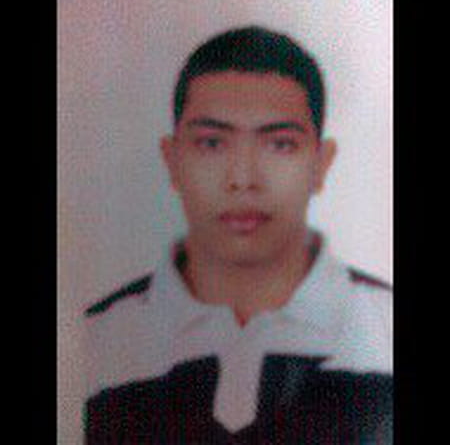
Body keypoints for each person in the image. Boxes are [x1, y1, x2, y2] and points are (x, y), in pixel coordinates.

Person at [83, 25, 393, 444]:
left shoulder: (385, 331)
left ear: (321, 163)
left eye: (280, 144)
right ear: (172, 160)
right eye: (212, 143)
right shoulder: (93, 340)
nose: (243, 179)